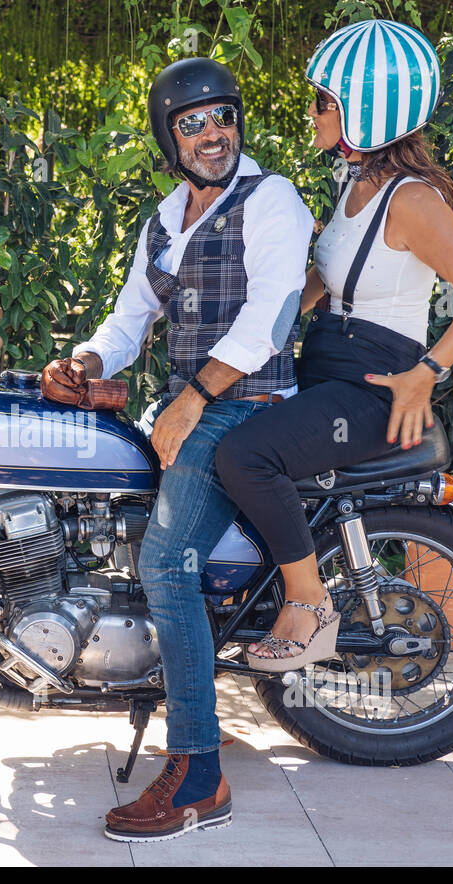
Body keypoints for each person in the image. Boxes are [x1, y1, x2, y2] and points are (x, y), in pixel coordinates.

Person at [40, 57, 314, 842]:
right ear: (169, 136)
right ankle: (191, 686)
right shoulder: (166, 217)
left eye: (222, 116)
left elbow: (268, 321)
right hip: (191, 406)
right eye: (192, 123)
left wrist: (194, 399)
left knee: (166, 562)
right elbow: (130, 321)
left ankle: (198, 775)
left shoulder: (272, 201)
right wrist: (86, 362)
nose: (212, 133)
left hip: (249, 406)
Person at [214, 18, 453, 672]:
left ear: (368, 112)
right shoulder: (354, 183)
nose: (313, 112)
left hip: (372, 388)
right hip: (324, 371)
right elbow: (327, 280)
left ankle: (310, 605)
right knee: (211, 435)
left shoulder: (413, 201)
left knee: (245, 456)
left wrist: (425, 373)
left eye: (325, 101)